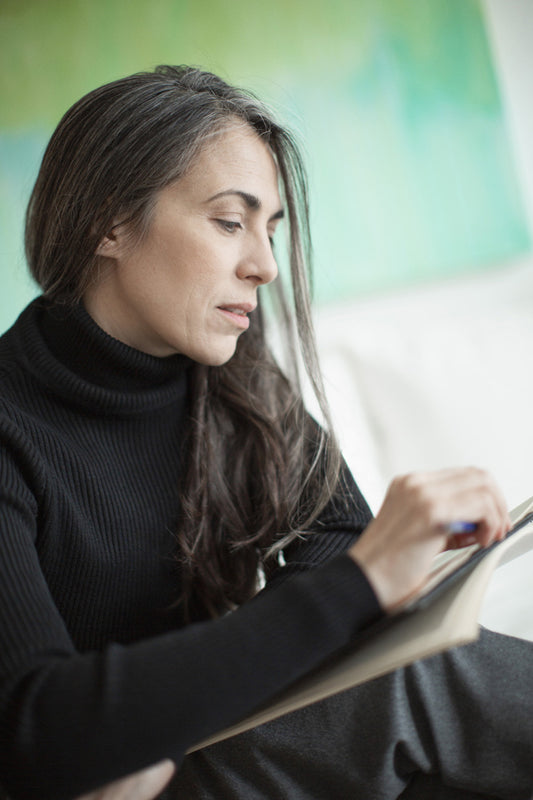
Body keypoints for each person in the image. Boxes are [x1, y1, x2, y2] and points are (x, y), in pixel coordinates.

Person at [0, 65, 530, 800]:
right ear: (109, 221)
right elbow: (39, 727)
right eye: (228, 221)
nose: (266, 266)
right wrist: (355, 585)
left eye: (271, 229)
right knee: (414, 682)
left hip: (178, 749)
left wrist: (174, 704)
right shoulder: (11, 428)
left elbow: (338, 538)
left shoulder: (228, 371)